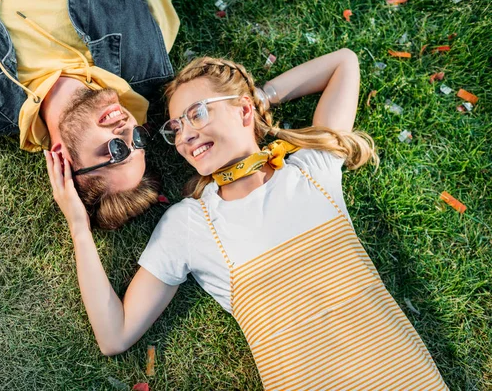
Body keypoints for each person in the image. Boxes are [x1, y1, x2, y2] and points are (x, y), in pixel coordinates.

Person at [45, 48, 448, 389]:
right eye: (176, 127)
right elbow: (114, 335)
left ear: (241, 111)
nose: (184, 134)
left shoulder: (312, 169)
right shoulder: (191, 225)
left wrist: (260, 97)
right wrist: (78, 226)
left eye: (197, 114)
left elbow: (344, 62)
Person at [0, 0, 179, 229]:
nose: (127, 131)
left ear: (63, 162)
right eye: (137, 142)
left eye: (116, 150)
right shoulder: (145, 51)